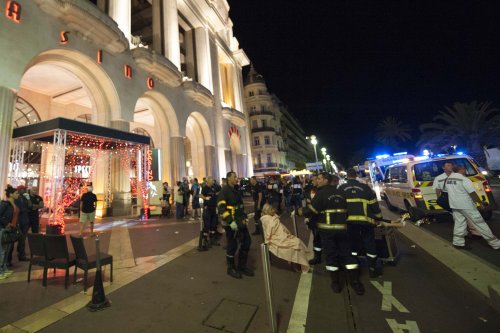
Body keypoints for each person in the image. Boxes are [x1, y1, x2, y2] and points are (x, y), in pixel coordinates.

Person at [298, 172, 364, 294]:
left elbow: (311, 211)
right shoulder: (340, 192)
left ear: (325, 180)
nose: (316, 181)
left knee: (331, 256)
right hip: (343, 230)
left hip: (327, 232)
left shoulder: (321, 194)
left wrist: (299, 212)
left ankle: (336, 283)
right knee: (347, 255)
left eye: (319, 179)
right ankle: (355, 283)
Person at [338, 168, 383, 278]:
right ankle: (372, 268)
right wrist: (378, 218)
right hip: (366, 222)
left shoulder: (341, 188)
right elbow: (374, 205)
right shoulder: (365, 188)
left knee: (352, 243)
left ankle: (355, 267)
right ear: (356, 175)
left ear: (347, 176)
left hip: (349, 222)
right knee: (369, 243)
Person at [446, 165, 500, 250]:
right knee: (480, 223)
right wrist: (480, 203)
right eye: (464, 169)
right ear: (461, 169)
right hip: (466, 205)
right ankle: (496, 244)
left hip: (455, 205)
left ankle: (458, 242)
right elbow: (472, 193)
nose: (465, 170)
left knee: (459, 223)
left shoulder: (449, 179)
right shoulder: (464, 179)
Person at [217, 171, 253, 279]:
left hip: (240, 221)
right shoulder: (224, 191)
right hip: (231, 223)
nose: (236, 178)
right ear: (229, 179)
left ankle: (242, 266)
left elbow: (240, 205)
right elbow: (221, 207)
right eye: (234, 177)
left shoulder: (236, 189)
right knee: (232, 245)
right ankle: (231, 268)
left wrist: (245, 217)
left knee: (246, 242)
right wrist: (230, 221)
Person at [433, 161, 481, 237]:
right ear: (443, 167)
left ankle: (475, 232)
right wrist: (440, 198)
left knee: (467, 216)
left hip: (460, 196)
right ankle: (463, 234)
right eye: (448, 165)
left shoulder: (457, 175)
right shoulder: (439, 178)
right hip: (449, 197)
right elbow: (437, 189)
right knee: (458, 217)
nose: (450, 166)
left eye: (451, 165)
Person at [261, 204, 310, 273]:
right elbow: (268, 233)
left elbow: (281, 228)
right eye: (272, 209)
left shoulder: (273, 217)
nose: (274, 210)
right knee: (295, 244)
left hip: (282, 236)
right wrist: (268, 241)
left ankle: (296, 262)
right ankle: (294, 262)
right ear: (267, 211)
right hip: (276, 238)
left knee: (297, 242)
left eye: (273, 209)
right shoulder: (267, 219)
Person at [8, 185, 30, 263]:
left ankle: (21, 255)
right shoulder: (13, 200)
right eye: (22, 189)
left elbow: (30, 207)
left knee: (22, 239)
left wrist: (28, 199)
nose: (24, 191)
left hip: (24, 221)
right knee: (11, 241)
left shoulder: (25, 198)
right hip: (16, 222)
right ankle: (8, 259)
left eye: (25, 189)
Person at [0, 185, 19, 278]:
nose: (18, 195)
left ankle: (4, 269)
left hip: (11, 229)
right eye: (16, 193)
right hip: (4, 229)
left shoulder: (14, 204)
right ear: (11, 194)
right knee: (2, 250)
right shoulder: (5, 204)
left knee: (7, 250)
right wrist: (6, 223)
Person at [304, 174, 322, 265]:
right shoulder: (311, 190)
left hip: (322, 218)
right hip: (314, 218)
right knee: (316, 238)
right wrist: (307, 217)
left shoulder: (322, 190)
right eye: (313, 180)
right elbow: (308, 204)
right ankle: (317, 256)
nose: (314, 181)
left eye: (316, 179)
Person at [200, 176, 220, 250]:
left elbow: (215, 195)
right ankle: (204, 241)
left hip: (214, 208)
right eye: (211, 180)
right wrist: (205, 198)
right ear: (208, 181)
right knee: (207, 225)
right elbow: (200, 195)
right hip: (207, 208)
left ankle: (212, 240)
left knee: (213, 224)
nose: (213, 182)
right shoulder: (204, 188)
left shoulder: (213, 188)